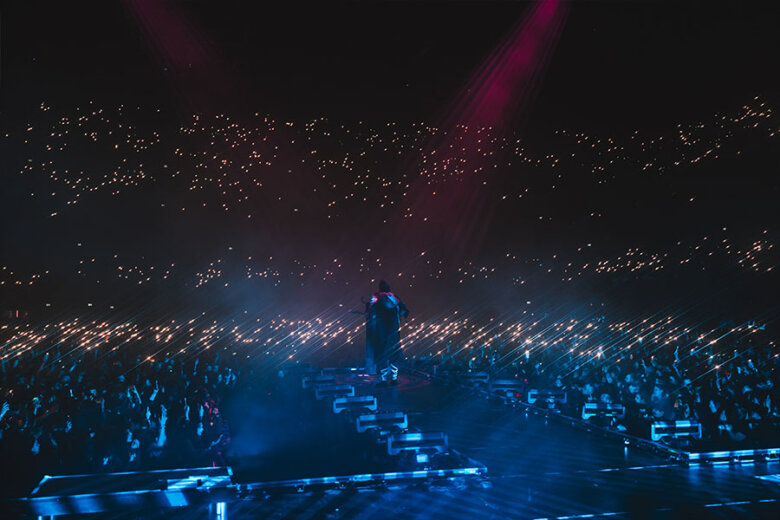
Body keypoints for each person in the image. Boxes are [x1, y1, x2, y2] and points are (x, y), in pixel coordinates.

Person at [365, 280, 409, 383]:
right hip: (393, 332)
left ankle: (384, 379)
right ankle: (394, 378)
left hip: (380, 332)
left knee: (381, 355)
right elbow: (404, 310)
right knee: (394, 354)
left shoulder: (376, 297)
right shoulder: (395, 297)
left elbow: (369, 311)